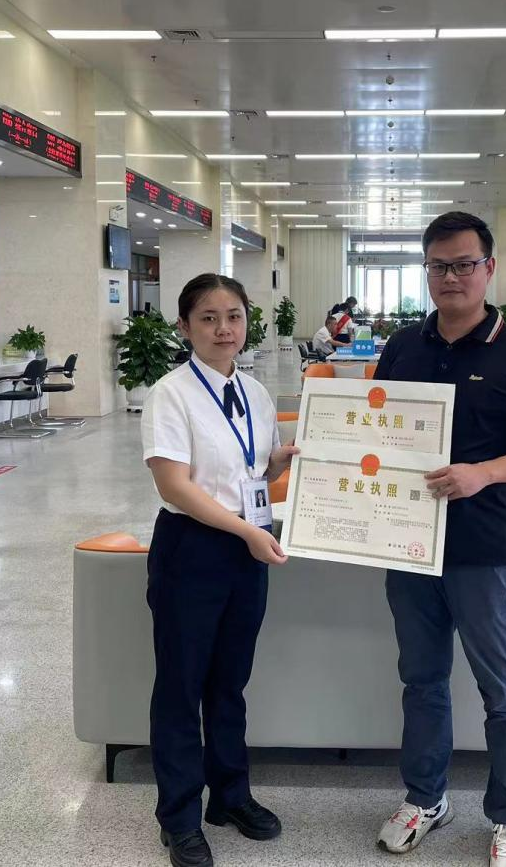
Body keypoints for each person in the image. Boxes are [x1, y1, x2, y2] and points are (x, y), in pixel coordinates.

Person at [372, 212, 506, 867]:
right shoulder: (403, 345)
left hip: (482, 550)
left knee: (502, 690)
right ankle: (425, 798)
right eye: (438, 265)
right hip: (408, 543)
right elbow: (374, 431)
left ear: (489, 268)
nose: (450, 277)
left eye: (463, 264)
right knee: (421, 679)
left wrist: (484, 472)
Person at [141, 273, 298, 867]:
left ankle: (230, 796)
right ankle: (179, 817)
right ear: (185, 327)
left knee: (229, 682)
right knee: (181, 687)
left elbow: (251, 474)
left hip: (246, 546)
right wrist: (247, 532)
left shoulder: (255, 393)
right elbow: (175, 486)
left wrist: (277, 463)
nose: (223, 329)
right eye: (208, 318)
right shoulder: (171, 394)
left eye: (233, 316)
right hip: (193, 548)